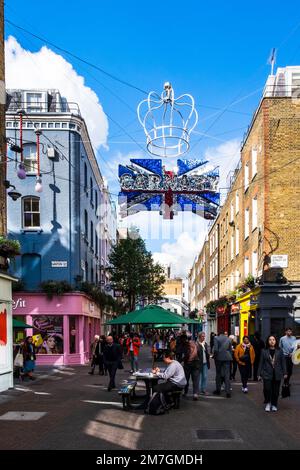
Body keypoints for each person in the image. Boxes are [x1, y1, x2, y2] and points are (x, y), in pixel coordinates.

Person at [258, 335, 287, 412]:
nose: (272, 341)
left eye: (273, 339)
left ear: (275, 341)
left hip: (277, 373)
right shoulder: (264, 350)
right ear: (268, 341)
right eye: (270, 340)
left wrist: (285, 372)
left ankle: (274, 404)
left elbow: (283, 362)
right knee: (267, 389)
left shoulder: (280, 350)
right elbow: (261, 363)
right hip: (267, 373)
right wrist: (259, 374)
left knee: (276, 391)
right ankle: (268, 403)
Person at [213, 331, 232, 398]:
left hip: (219, 358)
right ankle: (228, 392)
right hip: (227, 358)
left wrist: (214, 357)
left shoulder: (216, 338)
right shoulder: (229, 339)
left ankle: (218, 390)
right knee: (227, 375)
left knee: (218, 374)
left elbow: (215, 349)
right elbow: (230, 350)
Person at [182, 336, 201, 400]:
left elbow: (185, 355)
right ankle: (195, 394)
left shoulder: (186, 346)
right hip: (195, 365)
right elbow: (200, 355)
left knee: (187, 379)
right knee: (195, 380)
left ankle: (187, 392)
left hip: (189, 365)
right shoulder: (196, 346)